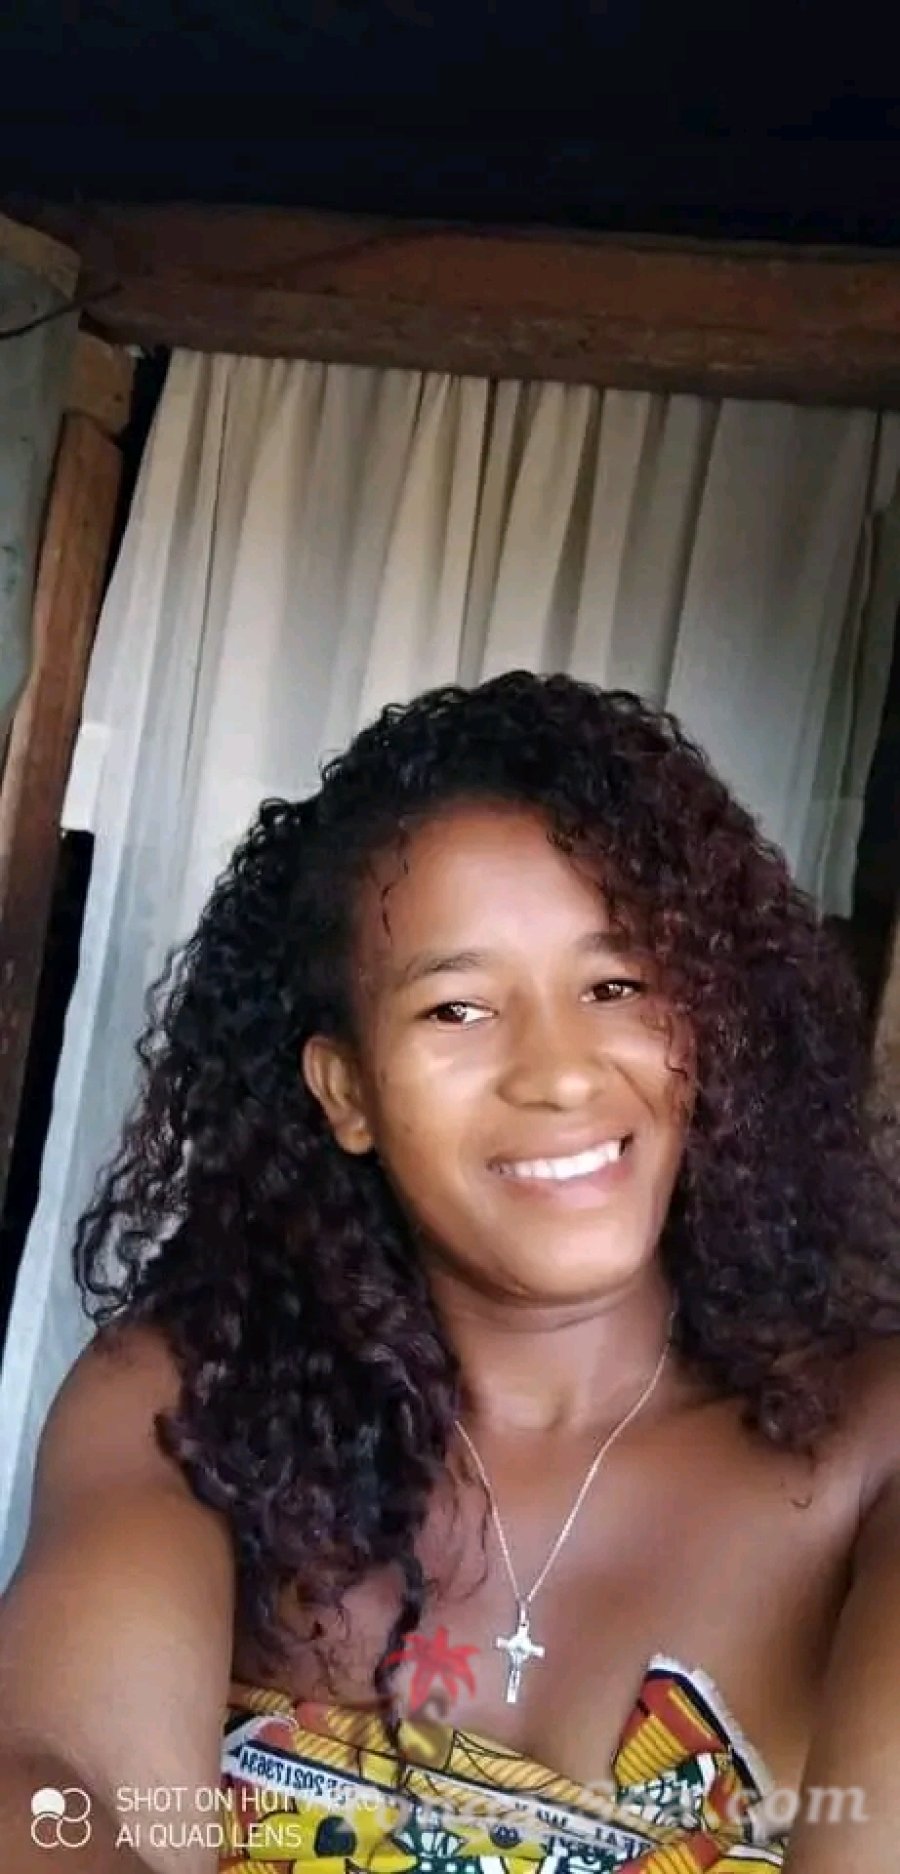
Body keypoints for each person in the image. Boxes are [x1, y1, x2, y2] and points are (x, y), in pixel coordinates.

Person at [1, 669, 898, 1874]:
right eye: (458, 1009)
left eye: (616, 986)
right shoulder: (192, 1400)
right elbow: (59, 1782)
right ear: (347, 1091)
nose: (559, 1073)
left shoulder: (873, 1443)